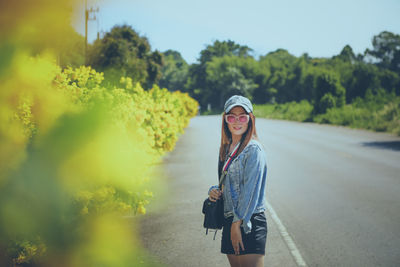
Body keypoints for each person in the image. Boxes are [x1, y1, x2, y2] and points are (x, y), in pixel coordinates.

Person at [208, 95, 268, 267]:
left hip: (248, 221)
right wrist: (214, 190)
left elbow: (250, 192)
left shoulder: (253, 149)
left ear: (250, 120)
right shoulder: (226, 149)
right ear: (225, 120)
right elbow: (226, 183)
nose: (237, 121)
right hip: (229, 219)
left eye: (242, 116)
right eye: (231, 116)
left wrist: (237, 225)